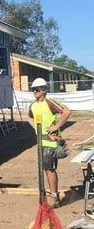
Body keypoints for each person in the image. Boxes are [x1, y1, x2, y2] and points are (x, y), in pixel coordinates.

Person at [28, 77, 71, 207]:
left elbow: (67, 112)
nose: (34, 91)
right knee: (46, 169)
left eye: (37, 89)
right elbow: (29, 117)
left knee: (49, 169)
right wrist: (36, 128)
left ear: (44, 90)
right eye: (33, 89)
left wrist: (56, 127)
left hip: (51, 142)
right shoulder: (33, 105)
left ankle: (54, 196)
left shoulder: (49, 102)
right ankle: (51, 194)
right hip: (41, 142)